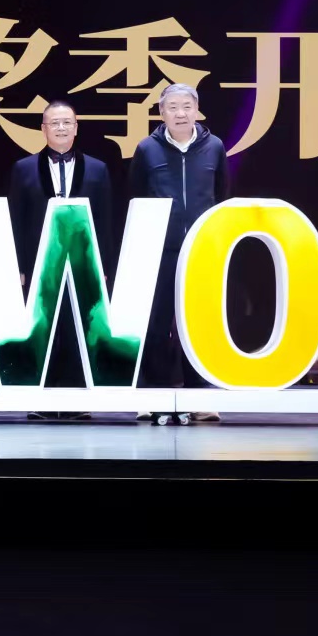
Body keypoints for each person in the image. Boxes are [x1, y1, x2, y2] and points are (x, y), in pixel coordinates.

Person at [129, 83, 229, 423]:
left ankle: (199, 397)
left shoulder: (214, 147)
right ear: (161, 113)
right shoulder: (147, 149)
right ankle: (153, 396)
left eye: (187, 106)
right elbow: (136, 197)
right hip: (159, 249)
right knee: (156, 323)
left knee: (197, 324)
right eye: (172, 107)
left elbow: (221, 195)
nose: (180, 113)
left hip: (200, 249)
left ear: (197, 109)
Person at [8, 100, 114, 420]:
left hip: (83, 261)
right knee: (43, 326)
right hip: (40, 261)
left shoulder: (97, 169)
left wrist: (104, 266)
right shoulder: (23, 168)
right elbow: (16, 221)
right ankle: (41, 398)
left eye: (67, 122)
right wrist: (19, 267)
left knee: (78, 326)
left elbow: (106, 220)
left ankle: (77, 399)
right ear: (43, 129)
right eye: (54, 123)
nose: (61, 128)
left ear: (76, 127)